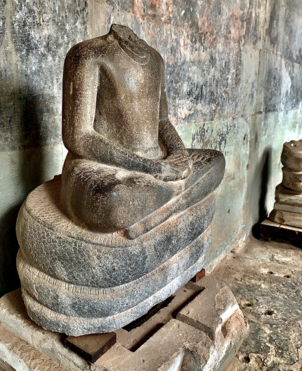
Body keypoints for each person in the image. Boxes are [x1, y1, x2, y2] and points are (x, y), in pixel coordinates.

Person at [60, 24, 225, 239]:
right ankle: (165, 202)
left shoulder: (155, 58)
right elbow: (79, 137)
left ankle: (150, 219)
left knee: (215, 161)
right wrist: (149, 167)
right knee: (113, 201)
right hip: (105, 166)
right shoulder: (88, 54)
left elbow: (162, 121)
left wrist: (179, 155)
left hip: (158, 161)